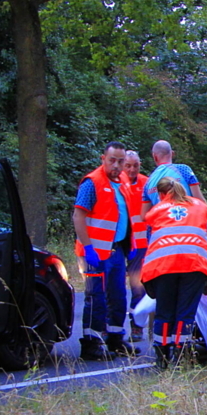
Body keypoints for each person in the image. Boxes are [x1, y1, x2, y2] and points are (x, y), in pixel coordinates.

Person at [73, 141, 138, 360]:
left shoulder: (123, 184)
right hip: (94, 252)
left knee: (118, 296)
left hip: (116, 249)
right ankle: (90, 345)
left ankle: (115, 340)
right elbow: (78, 216)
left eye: (121, 161)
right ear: (103, 159)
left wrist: (131, 246)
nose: (117, 166)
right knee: (95, 297)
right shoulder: (92, 183)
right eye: (112, 160)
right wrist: (88, 248)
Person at [142, 177, 207, 368]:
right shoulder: (200, 207)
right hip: (194, 265)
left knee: (164, 313)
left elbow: (150, 238)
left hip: (163, 266)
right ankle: (181, 357)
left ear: (160, 194)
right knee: (185, 313)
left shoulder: (155, 211)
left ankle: (162, 359)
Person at [140, 140, 207, 243]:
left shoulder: (148, 183)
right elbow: (201, 201)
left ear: (154, 156)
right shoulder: (184, 170)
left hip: (164, 236)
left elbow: (144, 216)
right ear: (172, 153)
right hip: (191, 232)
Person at [123, 150, 149, 340]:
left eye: (136, 165)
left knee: (138, 287)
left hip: (139, 244)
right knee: (112, 288)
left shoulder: (147, 183)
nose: (132, 169)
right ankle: (110, 327)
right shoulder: (116, 182)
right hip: (117, 242)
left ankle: (137, 326)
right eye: (128, 165)